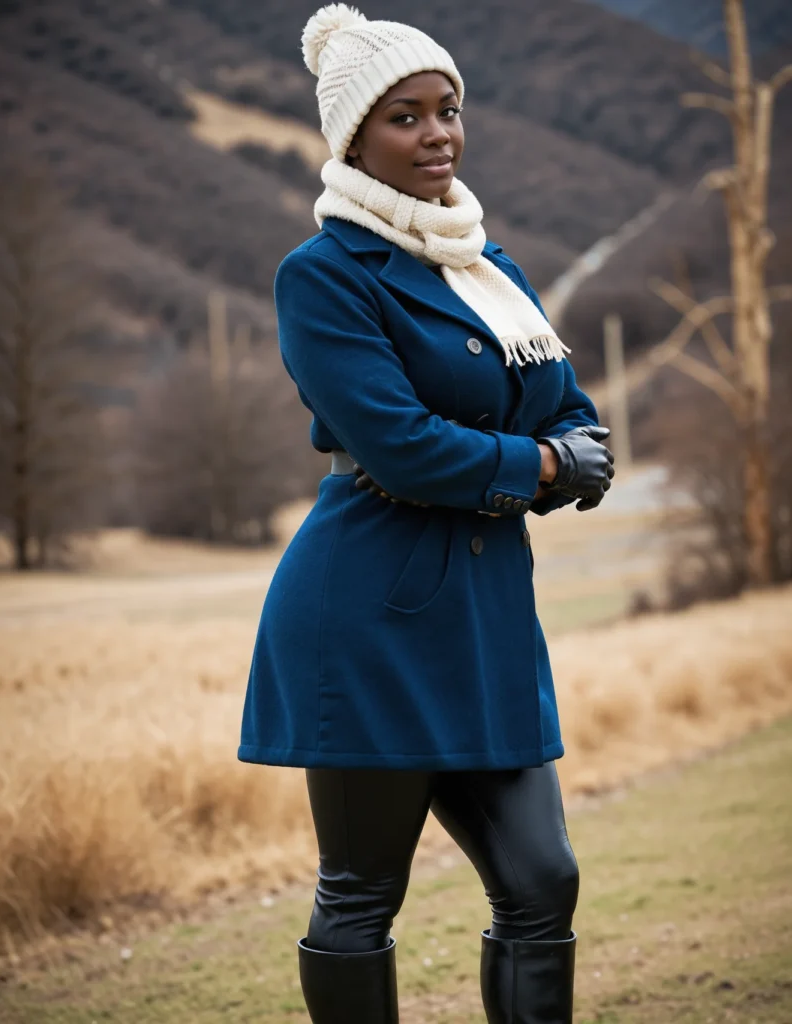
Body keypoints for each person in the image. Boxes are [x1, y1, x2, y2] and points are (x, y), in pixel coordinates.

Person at [238, 5, 615, 1022]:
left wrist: (548, 453)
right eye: (405, 117)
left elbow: (577, 416)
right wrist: (542, 461)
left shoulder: (490, 269)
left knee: (542, 881)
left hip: (489, 612)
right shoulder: (321, 277)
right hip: (369, 614)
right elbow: (399, 446)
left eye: (447, 109)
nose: (437, 133)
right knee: (361, 895)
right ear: (353, 138)